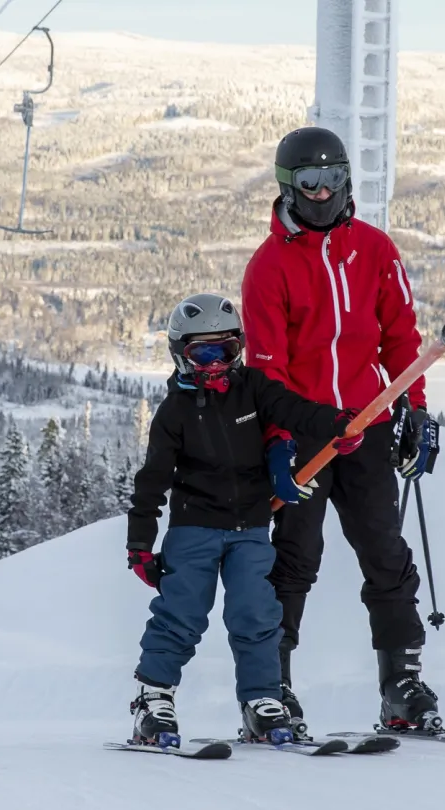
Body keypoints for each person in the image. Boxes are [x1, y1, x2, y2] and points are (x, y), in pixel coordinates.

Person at [239, 126, 444, 734]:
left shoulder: (376, 251)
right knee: (296, 557)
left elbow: (402, 340)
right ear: (287, 188)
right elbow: (266, 370)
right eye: (309, 181)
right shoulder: (268, 267)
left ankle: (401, 686)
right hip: (305, 432)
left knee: (385, 552)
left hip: (368, 424)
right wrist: (276, 442)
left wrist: (416, 410)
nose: (323, 192)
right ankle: (270, 689)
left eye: (333, 179)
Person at [124, 292, 360, 748]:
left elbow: (295, 410)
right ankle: (153, 699)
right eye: (203, 353)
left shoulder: (254, 387)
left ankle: (261, 702)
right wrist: (139, 545)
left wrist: (337, 423)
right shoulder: (174, 412)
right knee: (181, 615)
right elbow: (151, 482)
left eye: (226, 351)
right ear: (181, 353)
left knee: (256, 614)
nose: (216, 363)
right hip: (193, 529)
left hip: (250, 529)